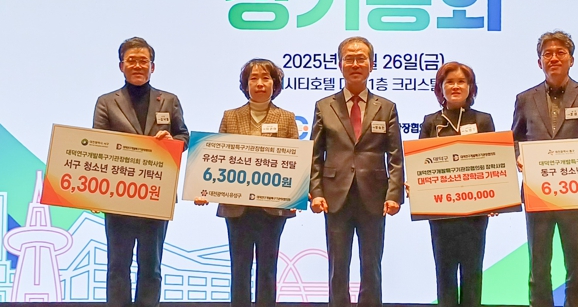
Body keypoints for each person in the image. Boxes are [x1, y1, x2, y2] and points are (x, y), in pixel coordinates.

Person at [511, 30, 578, 307]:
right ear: (539, 62)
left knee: (577, 269)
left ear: (571, 60)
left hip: (575, 193)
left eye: (560, 53)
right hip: (536, 191)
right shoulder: (524, 99)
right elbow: (514, 139)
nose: (553, 58)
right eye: (547, 54)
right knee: (538, 267)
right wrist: (518, 156)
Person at [93, 37, 189, 307]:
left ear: (153, 67)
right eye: (131, 61)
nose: (137, 66)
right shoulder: (106, 102)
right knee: (117, 265)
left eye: (143, 61)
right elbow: (98, 142)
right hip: (118, 196)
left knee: (151, 266)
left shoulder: (169, 100)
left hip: (156, 193)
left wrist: (172, 142)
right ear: (121, 66)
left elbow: (183, 136)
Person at [309, 36, 404, 307]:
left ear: (372, 65)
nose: (355, 64)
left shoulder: (386, 107)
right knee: (338, 267)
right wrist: (315, 192)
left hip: (374, 196)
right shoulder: (324, 106)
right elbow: (314, 154)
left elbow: (395, 156)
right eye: (349, 59)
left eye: (361, 59)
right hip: (334, 196)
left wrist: (394, 195)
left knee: (372, 266)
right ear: (340, 64)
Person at [195, 58, 298, 307]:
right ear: (245, 84)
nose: (260, 83)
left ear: (275, 84)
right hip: (236, 207)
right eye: (253, 78)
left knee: (268, 269)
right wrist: (203, 189)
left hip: (273, 207)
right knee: (239, 268)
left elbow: (296, 161)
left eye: (266, 78)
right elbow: (217, 158)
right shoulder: (230, 116)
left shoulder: (286, 118)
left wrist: (296, 194)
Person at [418, 62, 494, 307]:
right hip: (441, 212)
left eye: (461, 82)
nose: (455, 86)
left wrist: (497, 199)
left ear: (470, 87)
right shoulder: (431, 122)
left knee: (473, 272)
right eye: (449, 82)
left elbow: (493, 164)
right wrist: (416, 186)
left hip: (475, 213)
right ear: (440, 87)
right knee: (445, 273)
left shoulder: (483, 121)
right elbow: (420, 162)